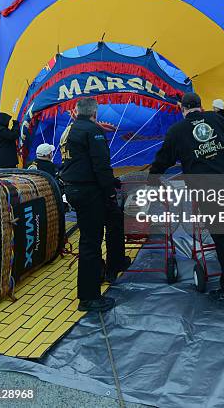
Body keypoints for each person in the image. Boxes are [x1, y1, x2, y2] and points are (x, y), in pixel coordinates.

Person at [148, 92, 224, 309]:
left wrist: (153, 176)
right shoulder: (218, 120)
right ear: (200, 106)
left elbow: (164, 157)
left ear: (182, 108)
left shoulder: (177, 131)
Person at [60, 97, 128, 312]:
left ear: (76, 111)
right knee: (91, 241)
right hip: (91, 191)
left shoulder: (70, 130)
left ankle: (115, 263)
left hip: (74, 188)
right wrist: (110, 191)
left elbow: (80, 159)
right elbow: (101, 165)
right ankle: (88, 297)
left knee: (115, 218)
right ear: (95, 113)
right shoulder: (93, 131)